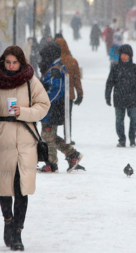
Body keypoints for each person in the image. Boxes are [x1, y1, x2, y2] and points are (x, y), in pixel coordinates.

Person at [0, 46, 50, 251]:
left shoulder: (30, 80)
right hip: (2, 137)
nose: (11, 66)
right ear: (2, 62)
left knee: (21, 187)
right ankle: (8, 219)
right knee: (3, 185)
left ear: (21, 62)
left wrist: (23, 111)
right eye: (8, 62)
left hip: (25, 137)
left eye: (15, 63)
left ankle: (18, 232)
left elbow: (43, 105)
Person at [37, 42, 84, 173]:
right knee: (50, 135)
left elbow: (57, 89)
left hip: (51, 109)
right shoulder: (55, 67)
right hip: (52, 109)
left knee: (47, 135)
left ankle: (52, 164)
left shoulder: (55, 69)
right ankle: (72, 154)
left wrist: (44, 101)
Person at [105, 44, 136, 147]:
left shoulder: (135, 68)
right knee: (119, 121)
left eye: (126, 55)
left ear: (130, 56)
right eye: (122, 54)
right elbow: (110, 82)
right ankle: (122, 139)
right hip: (119, 98)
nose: (124, 56)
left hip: (132, 99)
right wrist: (107, 95)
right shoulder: (115, 67)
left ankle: (132, 139)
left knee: (134, 118)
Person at [55, 37, 83, 145]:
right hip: (69, 95)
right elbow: (77, 80)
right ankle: (68, 137)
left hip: (56, 94)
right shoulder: (73, 61)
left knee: (54, 118)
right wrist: (80, 94)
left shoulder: (54, 61)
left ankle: (53, 137)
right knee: (67, 117)